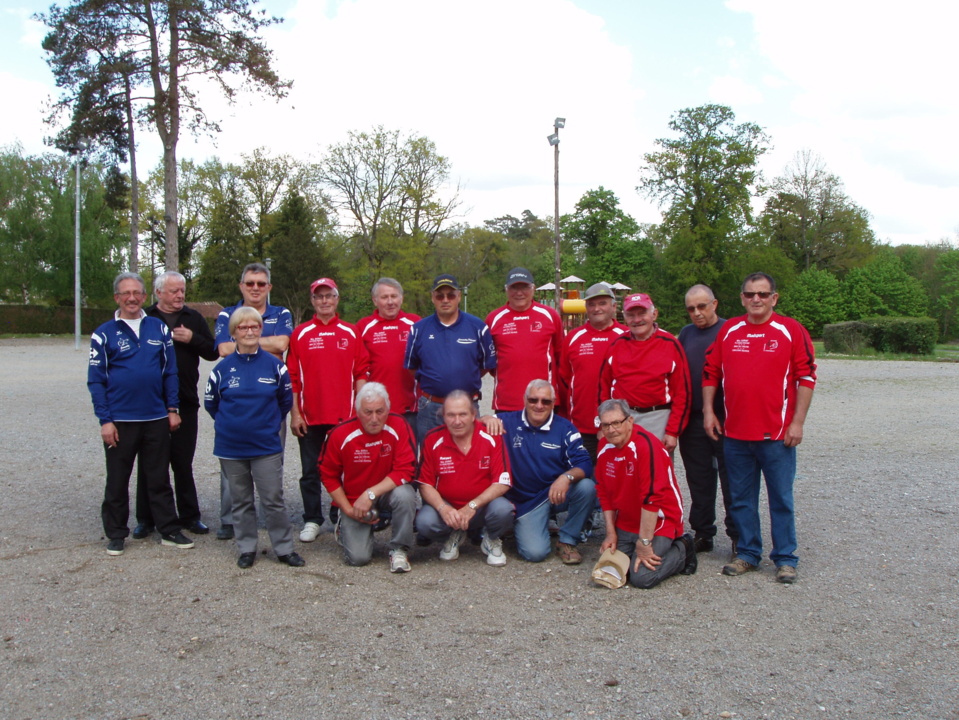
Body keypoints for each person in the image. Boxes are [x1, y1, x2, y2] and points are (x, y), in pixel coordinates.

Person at [703, 272, 816, 584]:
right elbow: (711, 372)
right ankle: (749, 554)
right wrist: (709, 412)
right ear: (741, 298)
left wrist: (798, 422)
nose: (756, 299)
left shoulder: (790, 330)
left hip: (777, 436)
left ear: (774, 298)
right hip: (735, 435)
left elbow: (806, 377)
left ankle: (785, 558)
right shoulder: (729, 330)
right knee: (740, 498)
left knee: (780, 499)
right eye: (750, 294)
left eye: (763, 294)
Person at [87, 272, 194, 556]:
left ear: (145, 297)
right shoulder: (103, 333)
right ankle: (116, 534)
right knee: (118, 479)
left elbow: (169, 372)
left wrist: (172, 409)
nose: (132, 298)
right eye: (126, 293)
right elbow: (96, 380)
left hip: (156, 418)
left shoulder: (157, 328)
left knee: (158, 478)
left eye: (137, 293)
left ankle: (169, 528)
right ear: (117, 298)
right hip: (121, 421)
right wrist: (105, 420)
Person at [204, 307, 304, 569]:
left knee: (273, 499)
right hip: (231, 447)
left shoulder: (275, 366)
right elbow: (211, 404)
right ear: (234, 332)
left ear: (261, 330)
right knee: (241, 500)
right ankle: (247, 547)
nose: (249, 332)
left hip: (265, 446)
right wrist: (234, 425)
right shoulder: (222, 369)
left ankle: (283, 548)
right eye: (243, 327)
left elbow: (284, 402)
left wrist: (266, 425)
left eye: (254, 327)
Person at [133, 271, 218, 539]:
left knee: (183, 461)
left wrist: (192, 338)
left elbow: (213, 351)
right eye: (173, 291)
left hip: (185, 400)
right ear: (159, 293)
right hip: (150, 403)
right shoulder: (145, 318)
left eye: (182, 290)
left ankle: (190, 517)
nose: (180, 295)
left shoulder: (192, 318)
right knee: (150, 462)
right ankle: (146, 519)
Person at [213, 262, 294, 540]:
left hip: (270, 401)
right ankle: (229, 520)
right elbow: (223, 349)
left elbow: (284, 344)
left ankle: (271, 517)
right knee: (232, 465)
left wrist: (247, 342)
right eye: (250, 283)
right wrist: (262, 342)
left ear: (268, 287)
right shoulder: (226, 313)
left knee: (271, 461)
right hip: (235, 402)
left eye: (261, 284)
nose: (255, 288)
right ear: (241, 286)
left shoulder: (281, 312)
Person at [287, 277, 369, 543]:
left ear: (337, 299)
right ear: (312, 301)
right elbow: (293, 378)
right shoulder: (300, 334)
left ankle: (339, 514)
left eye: (329, 296)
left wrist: (361, 411)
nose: (324, 301)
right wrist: (295, 413)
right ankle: (312, 519)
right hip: (310, 417)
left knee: (345, 470)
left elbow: (361, 373)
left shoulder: (351, 332)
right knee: (311, 471)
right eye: (319, 296)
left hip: (344, 417)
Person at [487, 380, 595, 564]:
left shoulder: (565, 428)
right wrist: (485, 419)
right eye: (533, 400)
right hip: (526, 502)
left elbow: (585, 463)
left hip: (554, 493)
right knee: (535, 553)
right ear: (524, 400)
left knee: (586, 487)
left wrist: (566, 477)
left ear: (553, 403)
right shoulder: (506, 422)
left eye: (545, 401)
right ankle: (521, 525)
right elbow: (471, 426)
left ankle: (567, 541)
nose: (539, 406)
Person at [595, 399, 696, 588]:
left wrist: (644, 542)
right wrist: (610, 533)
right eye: (606, 425)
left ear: (630, 421)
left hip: (660, 519)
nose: (611, 430)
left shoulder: (645, 446)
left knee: (641, 578)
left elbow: (652, 498)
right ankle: (638, 549)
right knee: (611, 570)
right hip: (627, 521)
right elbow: (604, 493)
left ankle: (683, 549)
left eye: (616, 423)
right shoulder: (604, 446)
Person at [319, 383, 418, 572]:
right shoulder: (340, 434)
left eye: (380, 411)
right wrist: (347, 509)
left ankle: (399, 549)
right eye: (368, 412)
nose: (374, 418)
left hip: (385, 493)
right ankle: (344, 525)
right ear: (357, 412)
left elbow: (406, 470)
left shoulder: (399, 425)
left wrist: (370, 494)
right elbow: (327, 474)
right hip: (355, 500)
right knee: (358, 559)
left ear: (388, 409)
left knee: (406, 494)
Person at [415, 391, 514, 566]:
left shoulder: (491, 436)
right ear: (443, 416)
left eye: (463, 414)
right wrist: (443, 509)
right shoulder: (432, 438)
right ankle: (454, 533)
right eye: (451, 415)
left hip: (482, 507)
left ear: (473, 415)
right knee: (424, 522)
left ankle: (490, 538)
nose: (457, 421)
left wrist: (472, 506)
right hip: (450, 507)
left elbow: (502, 482)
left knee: (504, 510)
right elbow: (425, 484)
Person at [677, 284, 738, 555]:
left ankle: (739, 534)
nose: (697, 313)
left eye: (702, 306)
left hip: (726, 417)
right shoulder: (686, 334)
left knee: (732, 478)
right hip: (692, 418)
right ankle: (703, 532)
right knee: (698, 477)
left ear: (715, 304)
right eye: (691, 308)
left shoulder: (730, 330)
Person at [404, 274, 496, 445]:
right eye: (440, 296)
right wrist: (435, 380)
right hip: (431, 407)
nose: (445, 300)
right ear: (432, 298)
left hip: (467, 406)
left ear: (459, 296)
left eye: (451, 295)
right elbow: (412, 367)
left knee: (468, 455)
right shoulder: (418, 329)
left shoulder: (478, 328)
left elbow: (484, 366)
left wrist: (463, 377)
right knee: (428, 460)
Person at [598, 292, 690, 452]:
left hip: (657, 416)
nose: (637, 319)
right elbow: (603, 387)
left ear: (654, 314)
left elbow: (683, 393)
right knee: (622, 468)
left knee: (655, 470)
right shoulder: (616, 345)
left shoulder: (670, 344)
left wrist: (672, 431)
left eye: (642, 313)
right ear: (624, 318)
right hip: (621, 418)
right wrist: (603, 423)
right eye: (631, 315)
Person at [485, 267, 564, 412]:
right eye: (514, 288)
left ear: (533, 288)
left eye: (524, 287)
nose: (519, 293)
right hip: (506, 404)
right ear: (506, 290)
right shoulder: (493, 318)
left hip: (543, 403)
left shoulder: (550, 316)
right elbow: (489, 362)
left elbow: (561, 356)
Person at [356, 278, 421, 425]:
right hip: (376, 409)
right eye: (384, 297)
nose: (390, 302)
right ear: (375, 300)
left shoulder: (415, 323)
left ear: (401, 298)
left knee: (409, 448)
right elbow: (359, 368)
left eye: (394, 296)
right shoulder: (363, 327)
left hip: (410, 408)